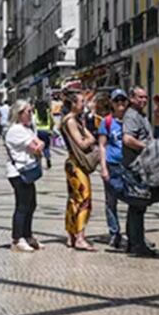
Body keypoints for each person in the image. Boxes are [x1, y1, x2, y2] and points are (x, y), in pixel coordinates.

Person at [1, 100, 44, 252]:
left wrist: (38, 146)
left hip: (27, 170)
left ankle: (27, 235)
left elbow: (40, 143)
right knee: (22, 205)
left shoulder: (27, 129)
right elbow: (35, 147)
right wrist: (38, 146)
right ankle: (17, 238)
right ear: (19, 114)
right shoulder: (16, 130)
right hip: (18, 172)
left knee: (31, 204)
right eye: (28, 112)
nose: (31, 115)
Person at [120, 86, 157, 257]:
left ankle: (134, 241)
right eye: (140, 97)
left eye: (145, 97)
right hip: (135, 167)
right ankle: (137, 244)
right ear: (132, 98)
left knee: (136, 206)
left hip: (141, 166)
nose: (143, 100)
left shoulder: (140, 114)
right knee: (138, 205)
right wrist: (148, 147)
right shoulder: (132, 116)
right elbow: (128, 139)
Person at [61, 92, 98, 251]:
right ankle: (80, 237)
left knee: (74, 199)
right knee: (84, 198)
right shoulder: (70, 121)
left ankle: (72, 234)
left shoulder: (73, 120)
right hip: (76, 165)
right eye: (82, 102)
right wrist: (91, 138)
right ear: (73, 104)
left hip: (73, 163)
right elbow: (82, 143)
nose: (84, 104)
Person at [97, 90, 126, 250]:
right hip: (112, 165)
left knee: (133, 200)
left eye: (123, 100)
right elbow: (102, 146)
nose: (120, 103)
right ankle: (115, 232)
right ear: (112, 103)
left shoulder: (131, 120)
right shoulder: (107, 122)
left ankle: (134, 232)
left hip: (129, 166)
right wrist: (103, 168)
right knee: (111, 201)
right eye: (117, 100)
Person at [33, 100, 53, 169]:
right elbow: (52, 121)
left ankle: (39, 162)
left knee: (38, 147)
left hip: (38, 131)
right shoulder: (47, 112)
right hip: (46, 131)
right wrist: (50, 129)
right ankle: (48, 158)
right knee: (46, 147)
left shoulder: (35, 112)